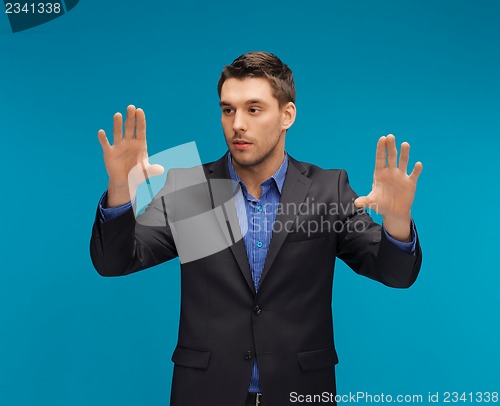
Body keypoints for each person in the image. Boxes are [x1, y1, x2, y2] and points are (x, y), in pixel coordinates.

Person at [90, 51, 423, 406]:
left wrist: (397, 220)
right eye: (228, 109)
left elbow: (396, 274)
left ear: (286, 115)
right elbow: (114, 262)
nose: (237, 125)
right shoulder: (191, 188)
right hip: (205, 394)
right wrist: (120, 189)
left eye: (253, 109)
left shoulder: (329, 189)